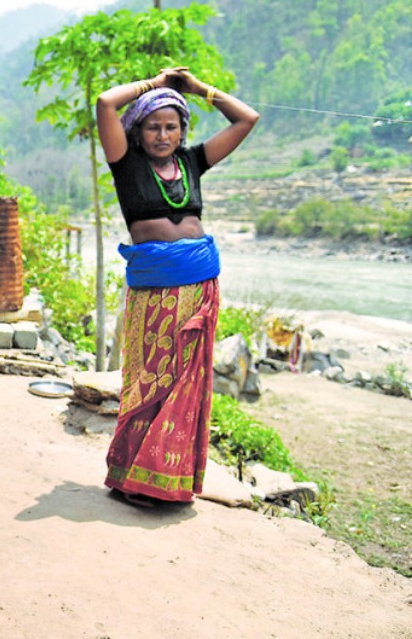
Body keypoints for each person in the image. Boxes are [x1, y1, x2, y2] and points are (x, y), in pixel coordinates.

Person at [95, 66, 259, 506]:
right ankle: (132, 476)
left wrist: (197, 89)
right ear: (138, 131)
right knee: (150, 378)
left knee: (188, 384)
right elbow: (106, 103)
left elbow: (248, 119)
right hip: (155, 289)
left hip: (201, 283)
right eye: (153, 126)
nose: (163, 135)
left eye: (171, 126)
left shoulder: (191, 162)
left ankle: (168, 480)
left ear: (182, 130)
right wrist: (157, 83)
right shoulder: (125, 165)